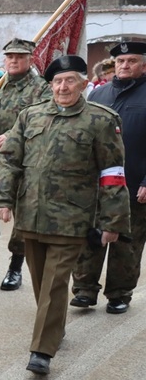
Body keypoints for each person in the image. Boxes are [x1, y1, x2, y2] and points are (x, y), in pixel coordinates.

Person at [0, 55, 130, 376]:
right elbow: (10, 161)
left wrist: (113, 221)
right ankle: (54, 326)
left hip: (72, 217)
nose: (63, 87)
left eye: (70, 80)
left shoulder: (101, 120)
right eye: (57, 81)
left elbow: (112, 174)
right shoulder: (30, 116)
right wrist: (1, 199)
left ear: (83, 84)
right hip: (31, 215)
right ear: (50, 85)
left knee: (54, 284)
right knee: (41, 284)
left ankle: (42, 350)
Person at [0, 38, 51, 291]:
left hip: (27, 157)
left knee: (22, 211)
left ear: (30, 59)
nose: (13, 61)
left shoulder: (41, 88)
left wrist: (15, 134)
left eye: (19, 56)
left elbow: (46, 119)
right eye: (9, 57)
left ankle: (15, 267)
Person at [70, 41, 146, 314]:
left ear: (143, 65)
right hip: (96, 184)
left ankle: (119, 293)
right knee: (90, 236)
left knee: (127, 241)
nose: (125, 66)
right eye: (121, 61)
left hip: (134, 183)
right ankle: (84, 290)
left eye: (132, 61)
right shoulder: (98, 95)